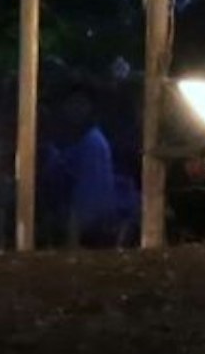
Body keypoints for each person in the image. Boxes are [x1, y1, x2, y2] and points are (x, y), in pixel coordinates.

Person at [40, 83, 138, 247]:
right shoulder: (67, 141)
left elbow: (87, 196)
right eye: (72, 103)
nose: (76, 109)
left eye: (81, 104)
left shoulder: (93, 142)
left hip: (89, 221)